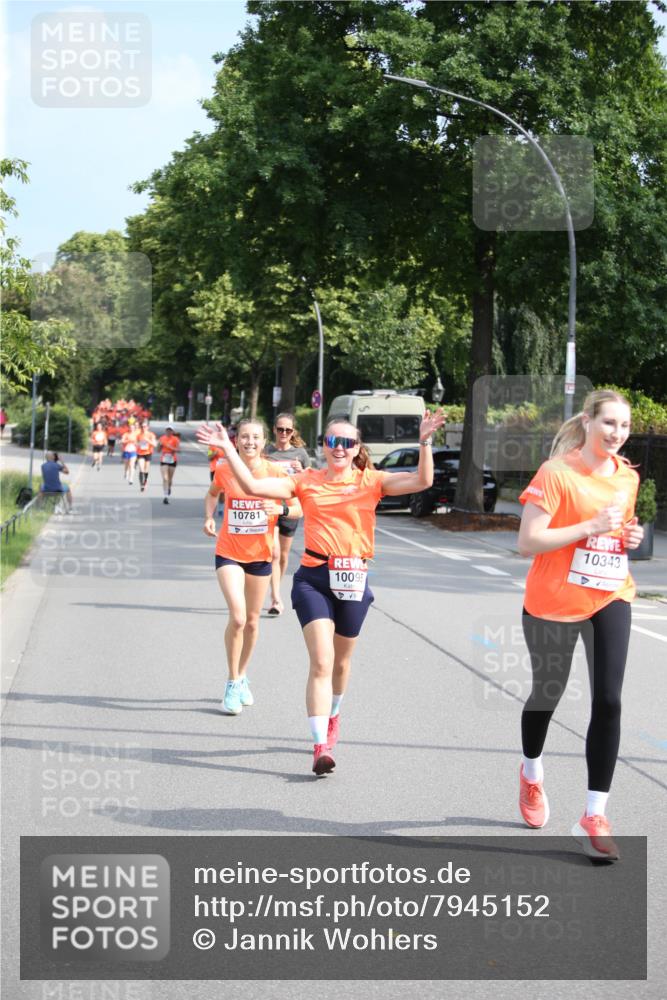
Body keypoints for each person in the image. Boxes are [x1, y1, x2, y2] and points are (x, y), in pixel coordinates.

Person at [198, 408, 445, 774]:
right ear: (323, 445)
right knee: (322, 661)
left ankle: (333, 715)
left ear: (357, 447)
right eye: (333, 441)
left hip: (353, 580)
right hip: (314, 578)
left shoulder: (371, 481)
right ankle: (319, 747)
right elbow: (251, 487)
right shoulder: (307, 481)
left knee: (342, 664)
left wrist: (424, 441)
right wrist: (227, 449)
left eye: (347, 442)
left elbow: (422, 480)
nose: (340, 448)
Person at [517, 389, 644, 861]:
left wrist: (629, 535)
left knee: (609, 699)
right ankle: (531, 772)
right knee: (547, 694)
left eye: (624, 426)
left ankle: (594, 814)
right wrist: (588, 527)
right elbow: (529, 540)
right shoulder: (558, 473)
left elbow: (621, 530)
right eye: (609, 423)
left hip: (610, 595)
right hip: (552, 602)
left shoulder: (627, 477)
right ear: (589, 422)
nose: (617, 433)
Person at [202, 418, 299, 715]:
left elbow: (298, 506)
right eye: (244, 437)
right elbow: (212, 494)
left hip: (260, 555)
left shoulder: (275, 472)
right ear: (237, 440)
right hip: (229, 552)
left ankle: (242, 675)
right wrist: (208, 517)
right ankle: (232, 682)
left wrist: (280, 509)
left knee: (254, 622)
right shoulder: (224, 467)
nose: (249, 442)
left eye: (255, 437)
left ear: (264, 440)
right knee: (239, 617)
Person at [264, 412, 312, 615]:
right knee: (273, 553)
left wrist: (301, 470)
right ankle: (275, 598)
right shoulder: (265, 452)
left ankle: (277, 586)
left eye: (288, 430)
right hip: (270, 507)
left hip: (291, 508)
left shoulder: (300, 453)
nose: (284, 433)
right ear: (274, 430)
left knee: (283, 556)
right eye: (280, 429)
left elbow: (311, 481)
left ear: (293, 432)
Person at [158, 427, 181, 504]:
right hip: (164, 459)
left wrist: (169, 447)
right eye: (167, 430)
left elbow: (179, 450)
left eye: (170, 430)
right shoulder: (162, 438)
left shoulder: (175, 439)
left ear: (172, 431)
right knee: (165, 478)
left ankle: (169, 488)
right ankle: (166, 496)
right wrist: (160, 445)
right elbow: (158, 450)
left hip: (172, 459)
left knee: (170, 479)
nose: (168, 431)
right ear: (165, 431)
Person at [136, 419, 158, 492]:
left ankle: (145, 481)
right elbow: (136, 444)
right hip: (140, 453)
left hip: (148, 453)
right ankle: (141, 484)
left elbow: (155, 444)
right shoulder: (138, 435)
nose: (143, 428)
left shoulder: (151, 434)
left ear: (148, 427)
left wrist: (148, 440)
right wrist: (138, 444)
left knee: (146, 470)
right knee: (141, 469)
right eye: (142, 426)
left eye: (145, 426)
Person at [121, 418, 140, 485]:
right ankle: (126, 472)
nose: (131, 429)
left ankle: (131, 478)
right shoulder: (126, 434)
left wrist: (135, 443)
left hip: (133, 451)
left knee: (132, 465)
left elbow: (139, 443)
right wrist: (128, 441)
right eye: (130, 428)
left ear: (134, 428)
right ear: (129, 428)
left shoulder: (136, 435)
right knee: (126, 465)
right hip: (126, 450)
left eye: (133, 428)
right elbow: (122, 441)